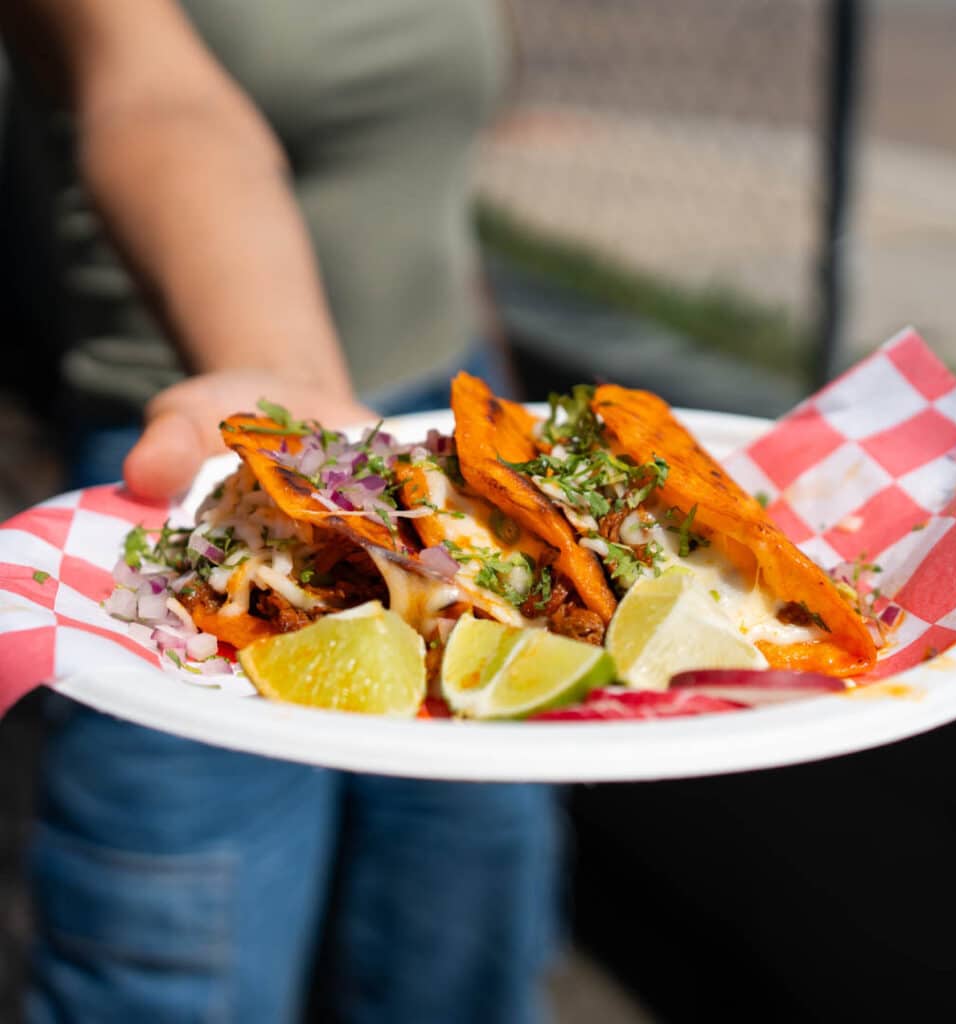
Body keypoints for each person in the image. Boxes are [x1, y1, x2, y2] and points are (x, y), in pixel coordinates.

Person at [2, 2, 561, 1021]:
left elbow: (413, 172)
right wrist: (294, 415)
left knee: (461, 938)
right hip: (205, 474)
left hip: (450, 442)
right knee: (168, 978)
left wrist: (491, 429)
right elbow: (158, 96)